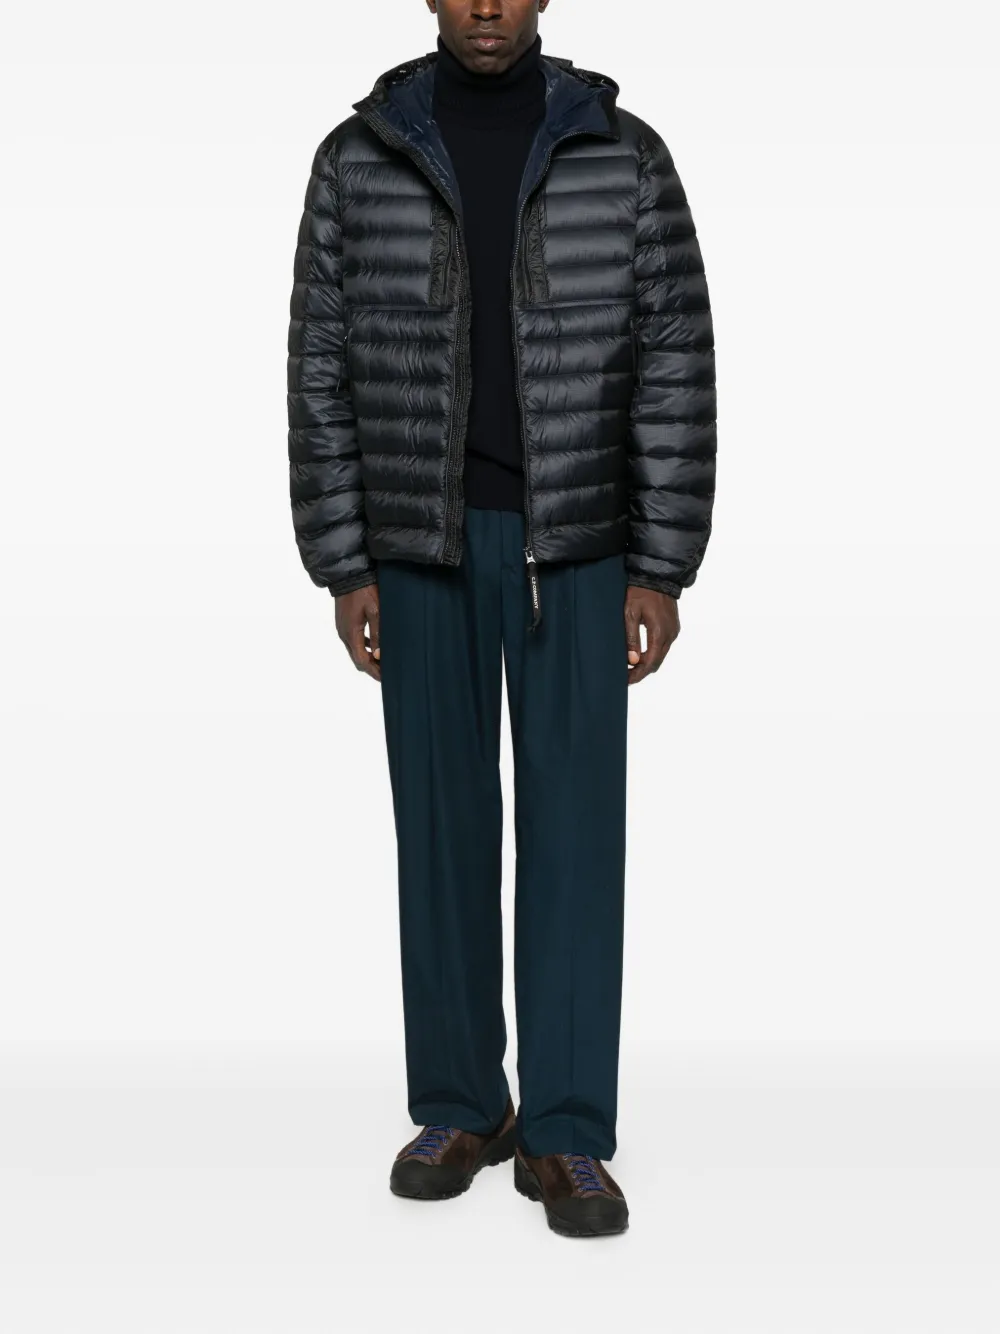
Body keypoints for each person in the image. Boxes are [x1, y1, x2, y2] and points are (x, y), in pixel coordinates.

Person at [287, 0, 716, 1238]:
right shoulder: (357, 156)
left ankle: (567, 1129)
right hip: (418, 544)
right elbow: (319, 362)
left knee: (576, 836)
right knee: (441, 830)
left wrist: (661, 562)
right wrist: (343, 560)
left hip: (578, 547)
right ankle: (462, 1103)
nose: (486, 5)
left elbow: (674, 354)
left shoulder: (622, 154)